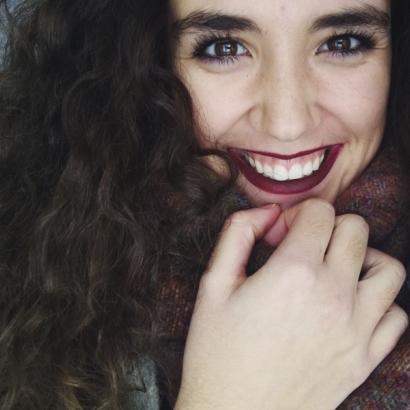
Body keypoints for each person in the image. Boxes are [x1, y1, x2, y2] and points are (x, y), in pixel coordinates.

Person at [0, 0, 409, 409]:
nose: (288, 124)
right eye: (224, 48)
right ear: (148, 60)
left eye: (342, 43)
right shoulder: (27, 275)